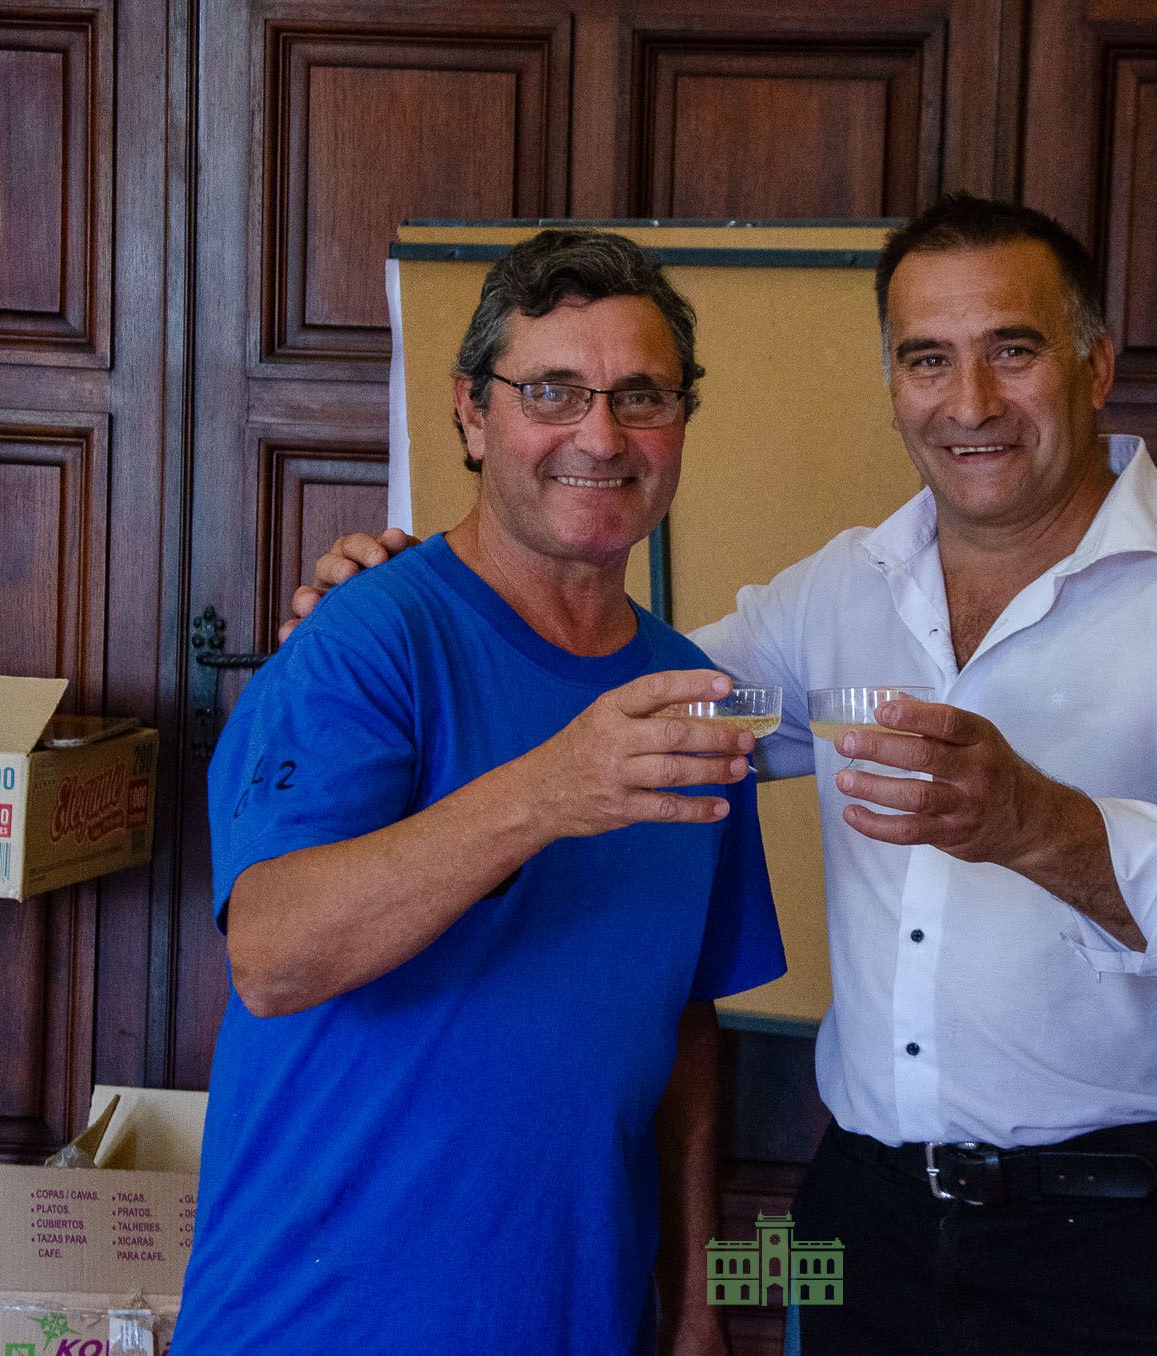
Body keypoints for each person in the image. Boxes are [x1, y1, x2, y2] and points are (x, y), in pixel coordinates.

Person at [289, 195, 1157, 1354]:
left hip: (1133, 1240)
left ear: (1093, 366)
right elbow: (616, 722)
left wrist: (1036, 826)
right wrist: (400, 619)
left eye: (1011, 350)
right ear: (891, 383)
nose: (968, 403)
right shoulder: (840, 593)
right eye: (926, 359)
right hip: (865, 1215)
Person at [177, 228, 786, 1356]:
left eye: (642, 396)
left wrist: (697, 1304)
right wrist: (550, 792)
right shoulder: (366, 638)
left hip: (579, 1321)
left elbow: (683, 1019)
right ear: (471, 413)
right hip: (324, 1325)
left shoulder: (693, 693)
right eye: (552, 391)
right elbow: (271, 955)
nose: (600, 435)